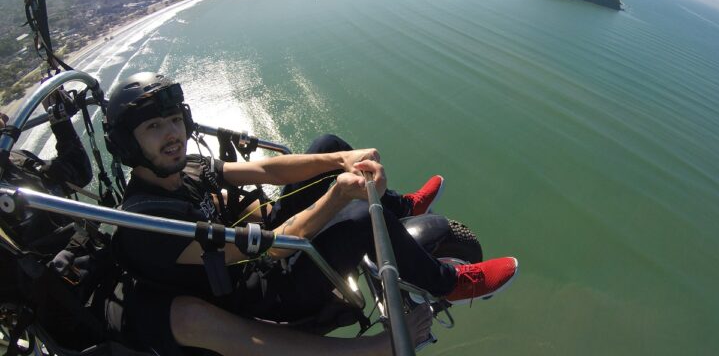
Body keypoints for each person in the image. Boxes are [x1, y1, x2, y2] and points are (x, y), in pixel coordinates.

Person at [104, 72, 519, 355]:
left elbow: (265, 169)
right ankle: (447, 282)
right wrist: (337, 196)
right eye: (153, 128)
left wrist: (341, 159)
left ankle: (399, 205)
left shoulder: (187, 170)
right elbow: (273, 251)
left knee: (325, 144)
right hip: (265, 290)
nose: (172, 135)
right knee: (356, 220)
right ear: (128, 145)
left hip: (260, 245)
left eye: (174, 121)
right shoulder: (150, 226)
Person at [0, 89, 93, 252]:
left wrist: (60, 122)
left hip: (85, 248)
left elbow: (78, 175)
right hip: (61, 266)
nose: (5, 117)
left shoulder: (16, 158)